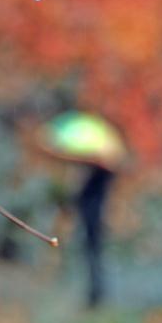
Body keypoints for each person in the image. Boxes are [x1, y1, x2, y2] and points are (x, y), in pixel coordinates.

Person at [39, 112, 127, 307]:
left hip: (89, 214)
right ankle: (81, 286)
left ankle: (94, 291)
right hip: (84, 209)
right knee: (82, 239)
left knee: (89, 242)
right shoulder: (89, 176)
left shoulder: (98, 176)